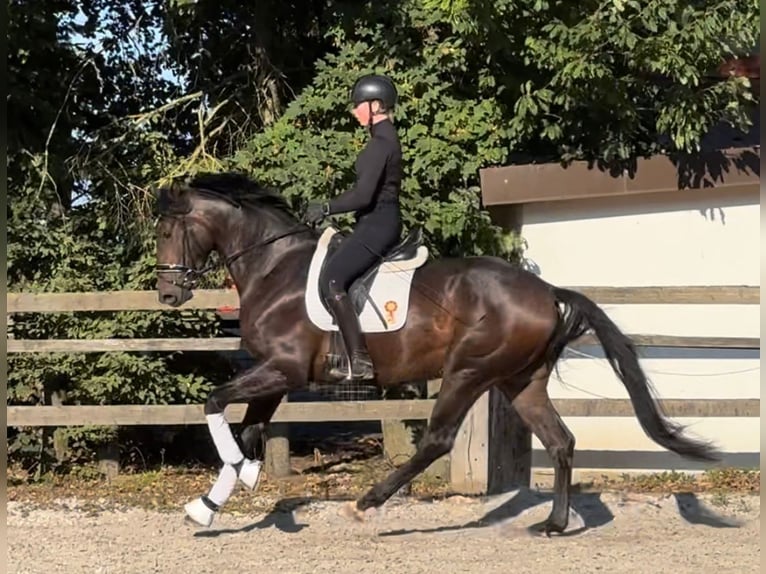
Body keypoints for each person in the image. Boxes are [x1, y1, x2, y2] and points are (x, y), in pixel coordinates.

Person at [304, 74, 403, 382]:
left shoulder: (381, 144)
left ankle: (359, 360)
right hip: (374, 221)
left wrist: (326, 207)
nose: (354, 111)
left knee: (333, 280)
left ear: (376, 105)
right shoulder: (384, 140)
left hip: (379, 224)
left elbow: (363, 196)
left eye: (358, 105)